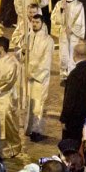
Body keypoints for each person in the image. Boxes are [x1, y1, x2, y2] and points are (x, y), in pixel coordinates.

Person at [0, 37, 22, 159]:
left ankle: (10, 148)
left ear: (1, 48)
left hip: (5, 98)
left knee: (6, 124)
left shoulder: (12, 63)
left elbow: (8, 82)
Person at [22, 13, 53, 143]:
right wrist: (23, 52)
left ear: (42, 24)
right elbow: (22, 57)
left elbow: (46, 62)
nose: (34, 25)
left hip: (39, 78)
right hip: (28, 77)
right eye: (33, 22)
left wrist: (34, 74)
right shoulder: (28, 37)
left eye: (37, 22)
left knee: (38, 106)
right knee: (29, 104)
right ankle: (28, 128)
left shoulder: (48, 40)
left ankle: (36, 131)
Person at [59, 42, 86, 140]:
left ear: (74, 54)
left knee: (72, 145)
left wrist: (64, 119)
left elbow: (69, 100)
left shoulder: (74, 75)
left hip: (75, 120)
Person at [51, 0, 85, 82]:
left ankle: (72, 75)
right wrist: (61, 11)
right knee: (64, 55)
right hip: (63, 32)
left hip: (74, 34)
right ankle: (64, 76)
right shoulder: (60, 4)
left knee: (73, 55)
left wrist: (73, 29)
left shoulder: (79, 5)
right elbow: (54, 18)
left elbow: (81, 19)